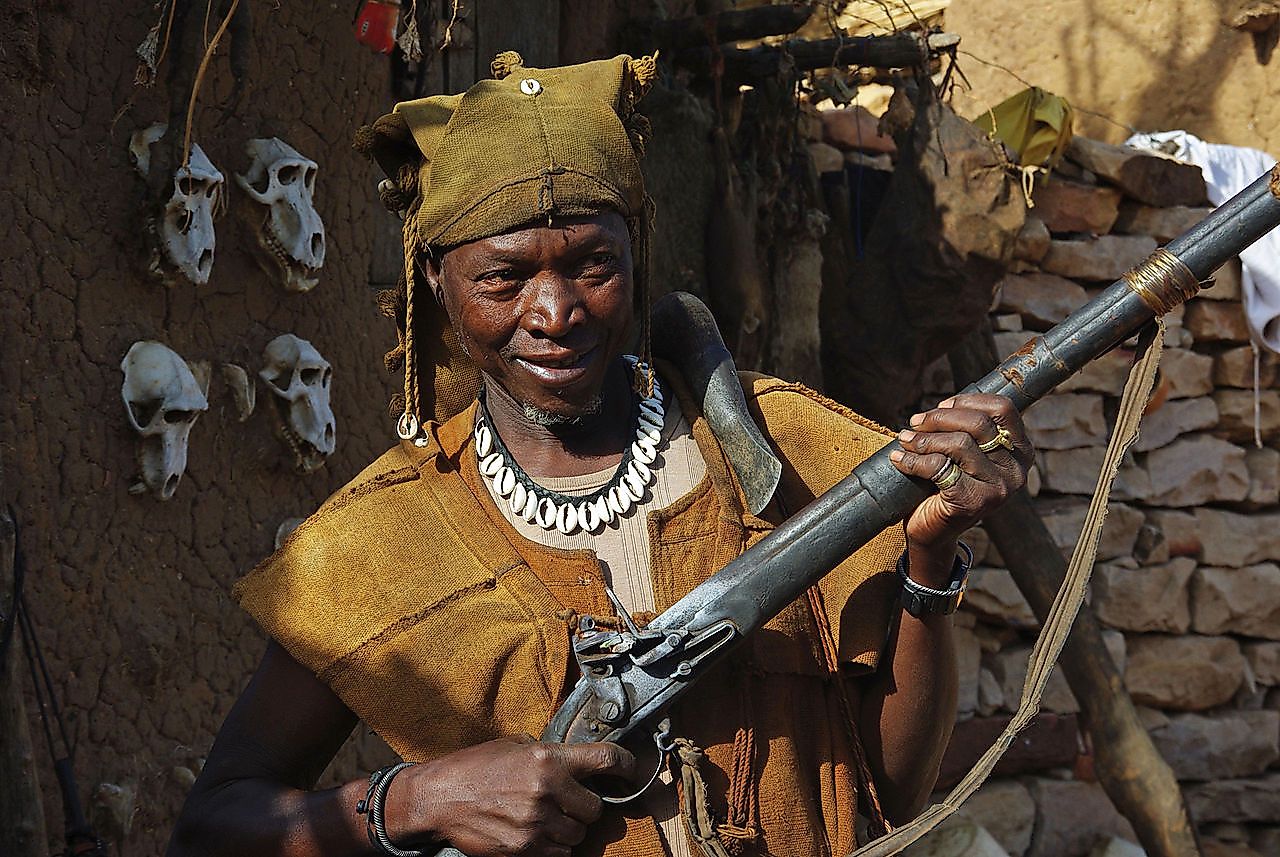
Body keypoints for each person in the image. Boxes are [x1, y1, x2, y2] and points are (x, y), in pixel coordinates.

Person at [168, 52, 1033, 857]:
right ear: (435, 279)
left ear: (639, 248)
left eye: (593, 264)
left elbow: (893, 786)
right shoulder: (377, 540)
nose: (555, 313)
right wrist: (416, 800)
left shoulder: (798, 448)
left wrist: (927, 560)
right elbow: (214, 820)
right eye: (503, 279)